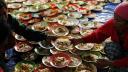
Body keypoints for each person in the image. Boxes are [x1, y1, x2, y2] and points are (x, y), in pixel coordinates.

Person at [71, 2, 128, 72]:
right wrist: (81, 40)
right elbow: (98, 35)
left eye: (118, 20)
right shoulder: (113, 23)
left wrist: (111, 63)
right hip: (123, 48)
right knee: (110, 47)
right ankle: (118, 63)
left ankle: (118, 65)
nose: (114, 21)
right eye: (114, 17)